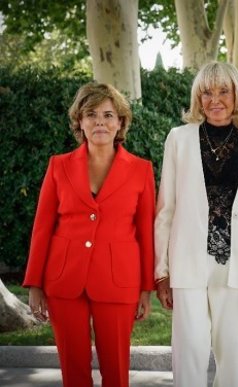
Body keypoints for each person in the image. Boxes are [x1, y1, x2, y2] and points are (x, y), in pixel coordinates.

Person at [23, 82, 155, 387]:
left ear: (121, 122)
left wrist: (145, 289)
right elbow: (42, 227)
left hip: (119, 280)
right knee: (74, 371)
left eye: (108, 115)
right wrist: (34, 283)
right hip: (63, 280)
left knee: (116, 371)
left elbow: (146, 232)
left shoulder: (141, 170)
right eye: (91, 114)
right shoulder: (59, 166)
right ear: (79, 122)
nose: (100, 122)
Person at [153, 61, 238, 387]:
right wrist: (161, 271)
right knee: (189, 349)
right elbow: (166, 208)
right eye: (206, 92)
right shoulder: (179, 138)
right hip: (187, 260)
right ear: (197, 98)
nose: (215, 99)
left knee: (230, 352)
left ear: (237, 95)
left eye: (223, 91)